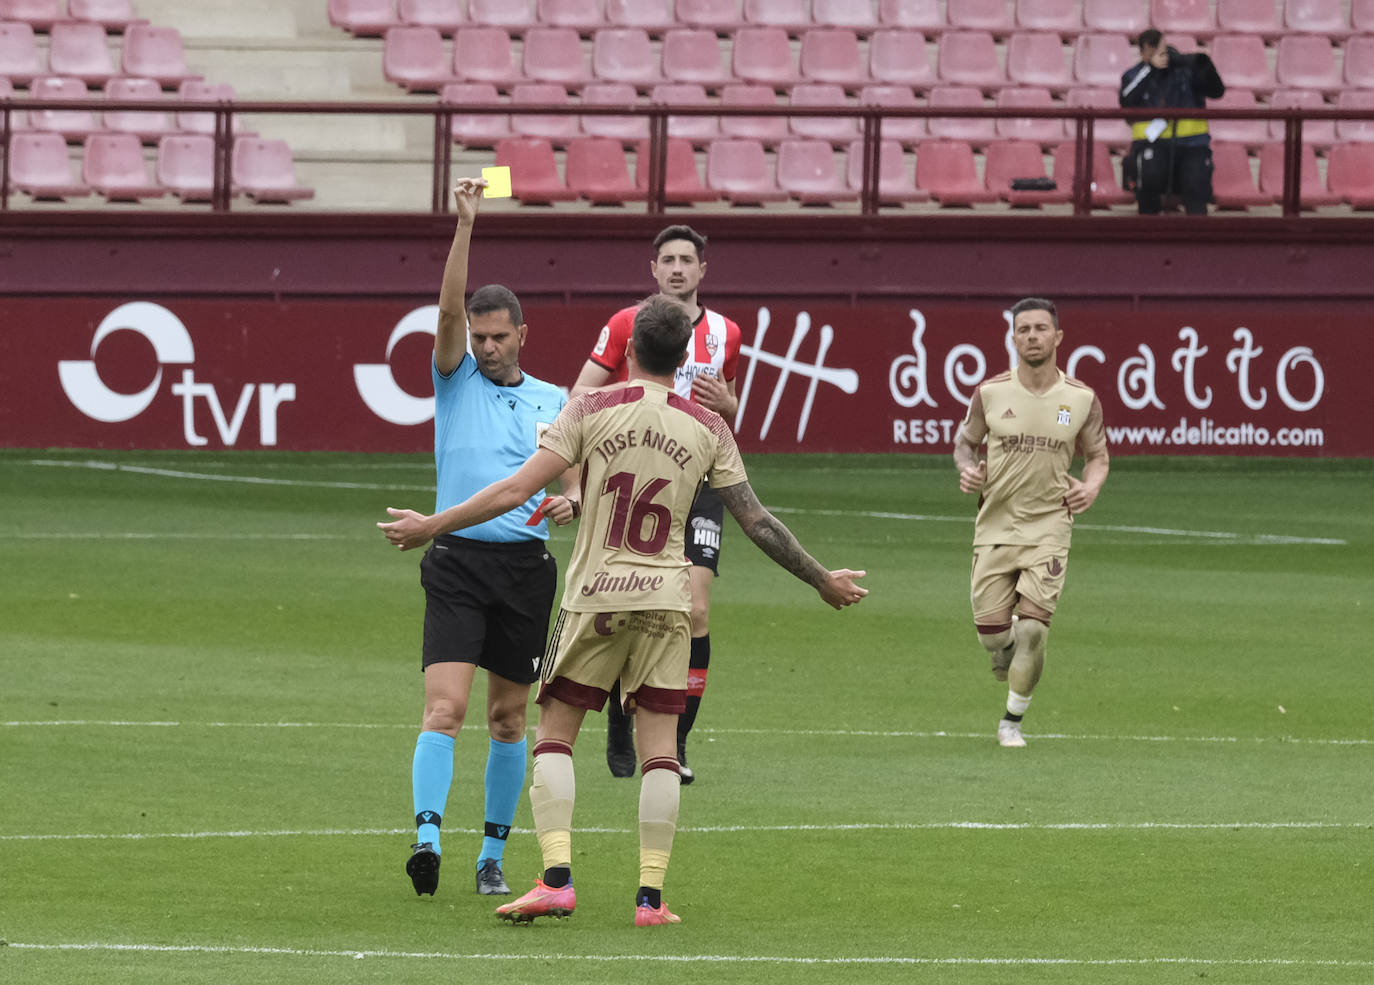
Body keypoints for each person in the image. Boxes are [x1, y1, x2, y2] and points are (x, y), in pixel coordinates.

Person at [380, 294, 868, 927]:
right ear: (687, 357)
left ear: (630, 350)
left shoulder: (589, 408)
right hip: (668, 601)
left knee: (552, 734)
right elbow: (756, 520)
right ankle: (650, 898)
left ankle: (556, 879)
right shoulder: (709, 427)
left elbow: (514, 489)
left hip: (596, 598)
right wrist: (820, 578)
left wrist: (434, 524)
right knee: (661, 750)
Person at [394, 177, 580, 900]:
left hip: (526, 570)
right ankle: (429, 836)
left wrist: (568, 501)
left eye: (500, 336)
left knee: (509, 716)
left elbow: (570, 475)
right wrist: (465, 225)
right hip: (458, 565)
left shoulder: (553, 399)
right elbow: (444, 309)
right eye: (480, 336)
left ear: (523, 335)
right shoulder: (455, 378)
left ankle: (492, 855)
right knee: (445, 706)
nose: (489, 346)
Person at [571, 225, 740, 785]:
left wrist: (729, 402)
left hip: (698, 482)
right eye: (666, 259)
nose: (676, 268)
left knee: (695, 608)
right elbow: (581, 394)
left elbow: (727, 410)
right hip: (638, 475)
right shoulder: (627, 324)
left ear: (702, 271)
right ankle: (621, 719)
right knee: (628, 605)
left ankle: (678, 742)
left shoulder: (727, 333)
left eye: (685, 260)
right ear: (653, 269)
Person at [952, 298, 1110, 748]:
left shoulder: (1080, 399)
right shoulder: (990, 393)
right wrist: (968, 468)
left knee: (1035, 628)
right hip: (996, 525)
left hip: (1050, 527)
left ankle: (1011, 722)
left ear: (1058, 337)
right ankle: (1004, 654)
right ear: (1013, 338)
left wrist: (1091, 486)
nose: (1032, 336)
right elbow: (965, 445)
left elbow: (1098, 455)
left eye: (1041, 328)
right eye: (1023, 330)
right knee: (994, 637)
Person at [1119, 29, 1225, 215]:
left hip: (1193, 145)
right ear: (1142, 52)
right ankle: (1148, 237)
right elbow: (1126, 100)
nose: (1156, 55)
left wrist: (1201, 63)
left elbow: (1217, 91)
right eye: (1149, 50)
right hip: (1151, 144)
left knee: (1196, 186)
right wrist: (1150, 69)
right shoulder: (1135, 74)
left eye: (1158, 49)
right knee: (1149, 179)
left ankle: (1198, 239)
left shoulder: (1186, 71)